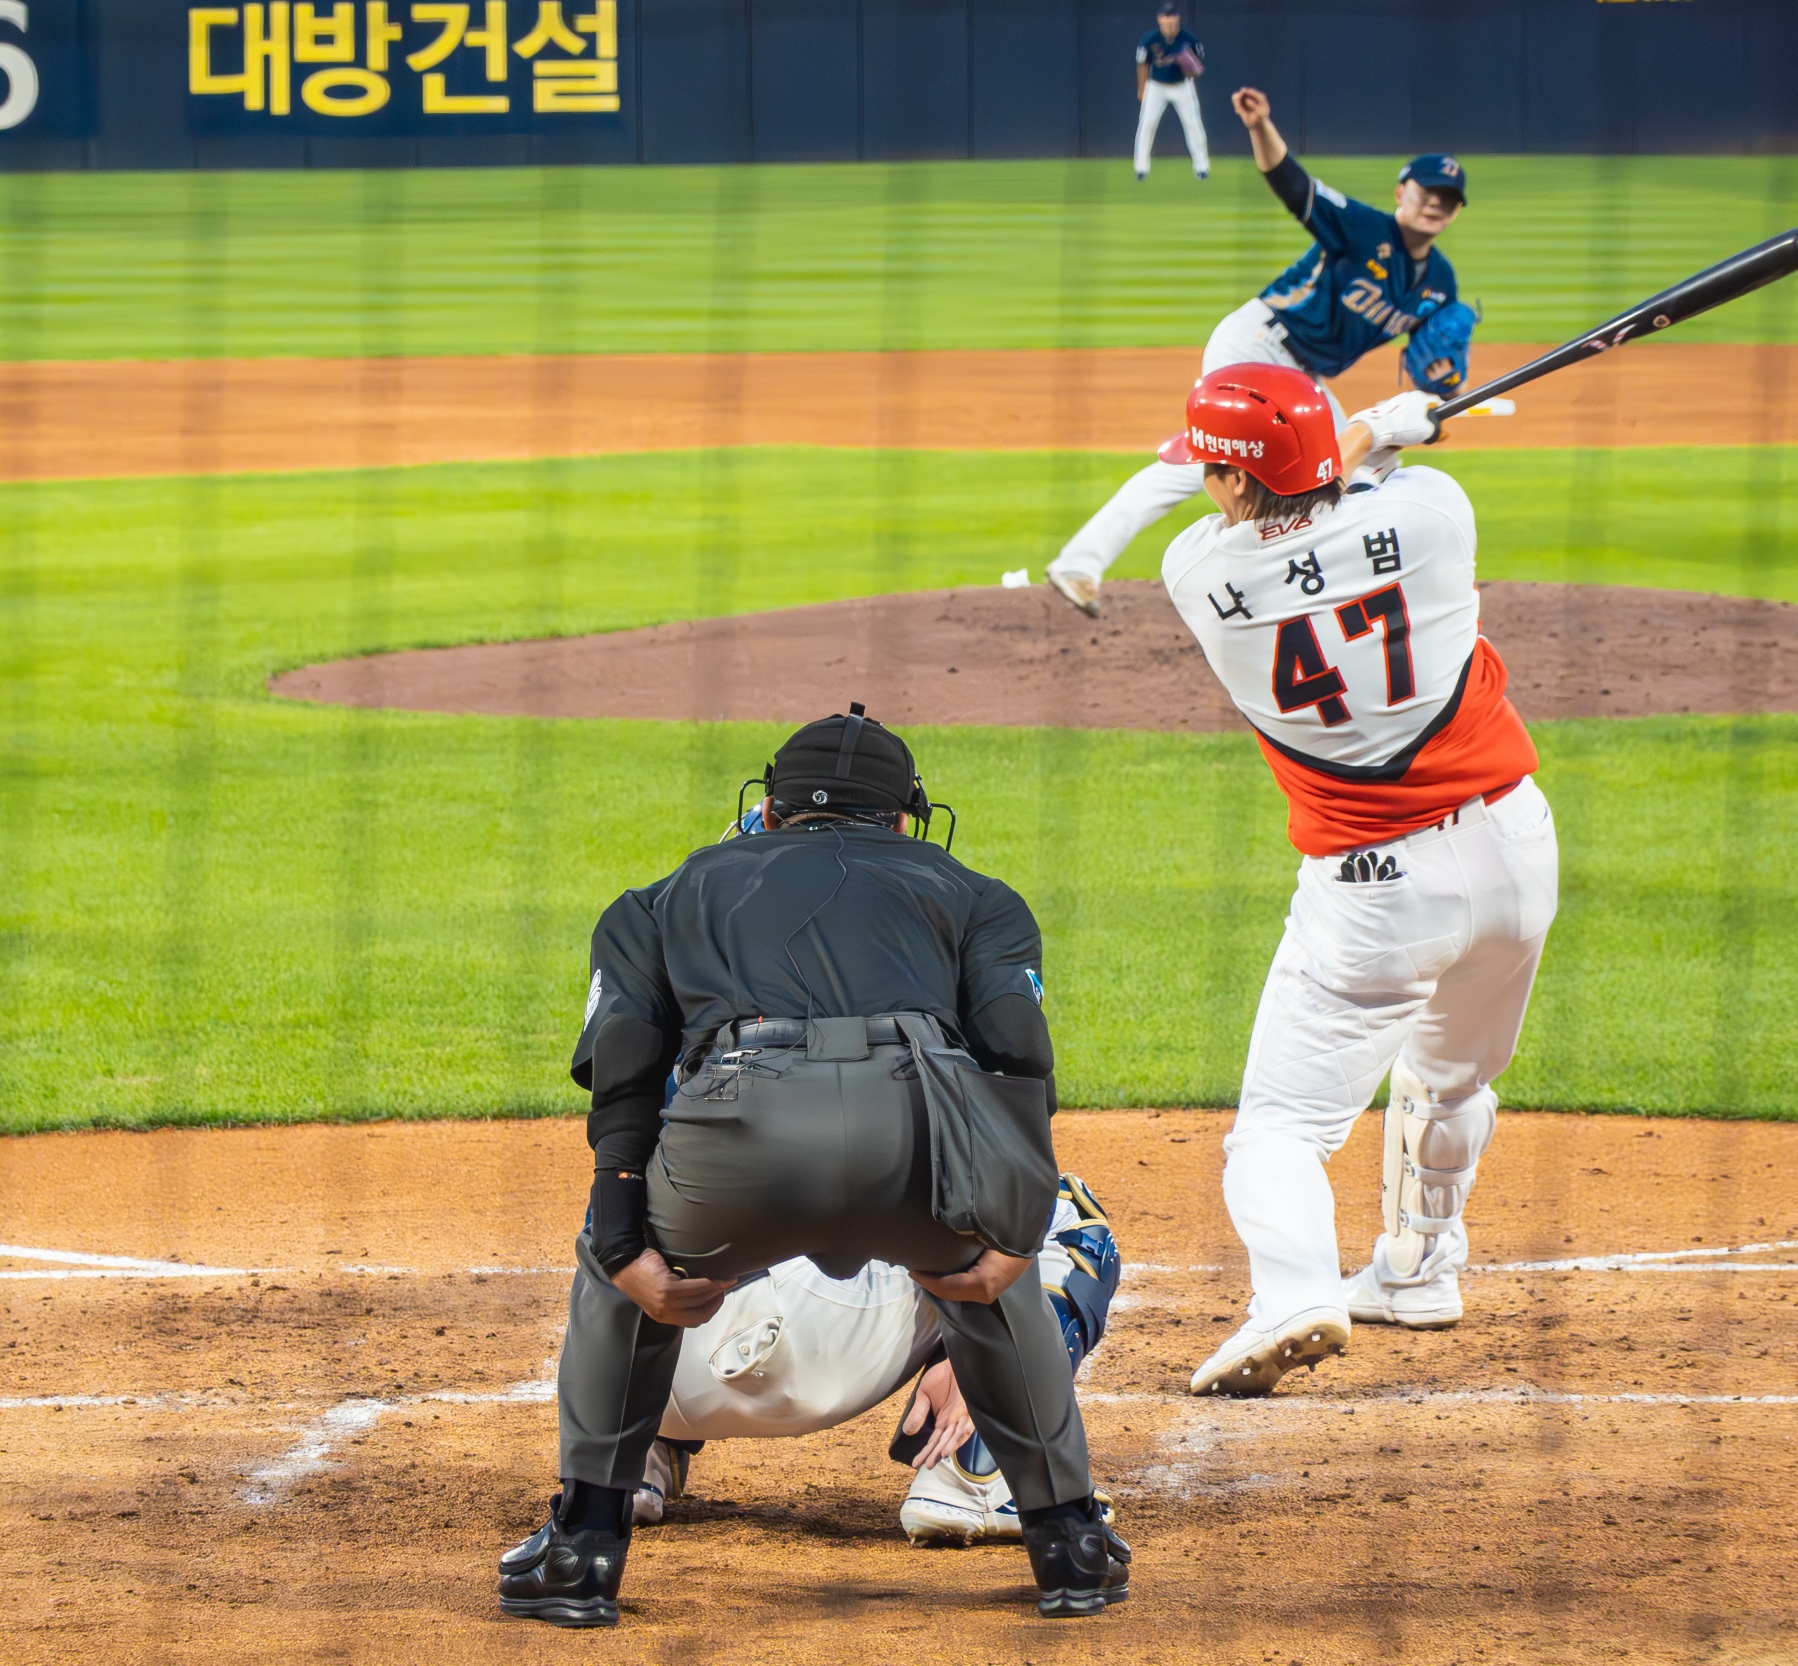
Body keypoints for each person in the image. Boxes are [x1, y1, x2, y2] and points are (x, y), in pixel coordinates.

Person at [499, 708, 1129, 1626]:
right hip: (911, 1132)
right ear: (905, 820)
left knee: (616, 1259)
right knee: (998, 1260)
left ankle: (584, 1549)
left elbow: (624, 1080)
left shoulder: (663, 897)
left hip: (735, 1141)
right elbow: (1017, 1063)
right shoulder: (977, 895)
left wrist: (623, 1243)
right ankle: (1068, 1543)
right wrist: (1012, 1231)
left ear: (767, 811)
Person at [1146, 365, 1558, 1395]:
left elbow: (1302, 510)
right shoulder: (1435, 514)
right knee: (1452, 1077)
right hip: (1515, 851)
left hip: (1374, 892)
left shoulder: (1195, 574)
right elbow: (1357, 487)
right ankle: (1419, 1268)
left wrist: (1373, 428)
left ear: (1232, 483)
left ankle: (1293, 1293)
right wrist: (1388, 429)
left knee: (1281, 1127)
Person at [1048, 85, 1476, 618]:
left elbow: (1433, 365)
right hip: (1257, 343)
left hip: (1303, 376)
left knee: (1363, 462)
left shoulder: (1441, 281)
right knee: (1220, 460)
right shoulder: (1364, 228)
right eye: (1427, 191)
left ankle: (1341, 585)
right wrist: (1259, 126)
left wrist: (1447, 386)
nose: (1436, 203)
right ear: (1401, 191)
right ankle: (1081, 562)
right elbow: (1294, 185)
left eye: (1448, 199)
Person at [637, 1171, 1121, 1547]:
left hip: (645, 1363)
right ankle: (974, 1469)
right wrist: (981, 1353)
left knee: (645, 1201)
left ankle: (630, 1460)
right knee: (1051, 1205)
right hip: (794, 1346)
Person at [1133, 3, 1209, 182]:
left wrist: (1188, 66)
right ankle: (1141, 168)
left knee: (1193, 125)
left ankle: (1202, 167)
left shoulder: (1190, 40)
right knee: (1147, 124)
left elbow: (1197, 70)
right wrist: (1142, 89)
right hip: (1156, 86)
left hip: (1182, 85)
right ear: (1160, 19)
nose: (1168, 23)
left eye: (1171, 19)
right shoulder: (1149, 39)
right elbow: (1142, 64)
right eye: (1165, 19)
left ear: (1177, 19)